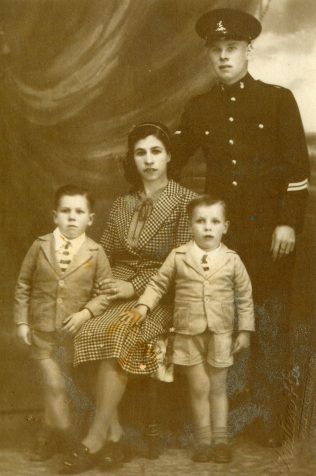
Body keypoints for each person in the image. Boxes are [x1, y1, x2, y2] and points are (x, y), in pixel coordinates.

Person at [173, 8, 310, 446]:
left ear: (249, 50)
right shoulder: (199, 108)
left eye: (231, 48)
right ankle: (228, 418)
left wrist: (287, 223)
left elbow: (297, 172)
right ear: (208, 56)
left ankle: (271, 418)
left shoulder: (277, 99)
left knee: (268, 324)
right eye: (216, 50)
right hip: (222, 239)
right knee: (223, 324)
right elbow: (172, 160)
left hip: (271, 236)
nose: (223, 57)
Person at [60, 122, 197, 474]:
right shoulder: (123, 203)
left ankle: (93, 439)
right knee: (77, 330)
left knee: (116, 334)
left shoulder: (185, 202)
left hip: (158, 295)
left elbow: (179, 263)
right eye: (140, 153)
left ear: (168, 156)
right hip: (114, 284)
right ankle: (116, 435)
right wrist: (97, 282)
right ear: (132, 160)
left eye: (155, 151)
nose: (148, 160)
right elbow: (104, 251)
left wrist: (134, 289)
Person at [126, 196, 254, 463]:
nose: (208, 227)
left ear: (225, 227)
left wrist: (244, 331)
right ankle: (203, 441)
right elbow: (158, 284)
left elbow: (244, 296)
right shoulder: (179, 256)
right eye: (200, 221)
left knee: (218, 387)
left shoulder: (232, 260)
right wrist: (143, 306)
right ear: (190, 225)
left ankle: (221, 440)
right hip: (187, 332)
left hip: (220, 333)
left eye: (215, 221)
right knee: (199, 387)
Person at [14, 184, 111, 461]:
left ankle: (48, 432)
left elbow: (105, 293)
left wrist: (85, 314)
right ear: (55, 215)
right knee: (54, 384)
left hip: (73, 336)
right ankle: (68, 440)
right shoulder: (40, 245)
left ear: (90, 218)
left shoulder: (96, 252)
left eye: (79, 211)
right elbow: (23, 285)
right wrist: (22, 322)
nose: (71, 217)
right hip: (42, 333)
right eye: (65, 211)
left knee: (62, 388)